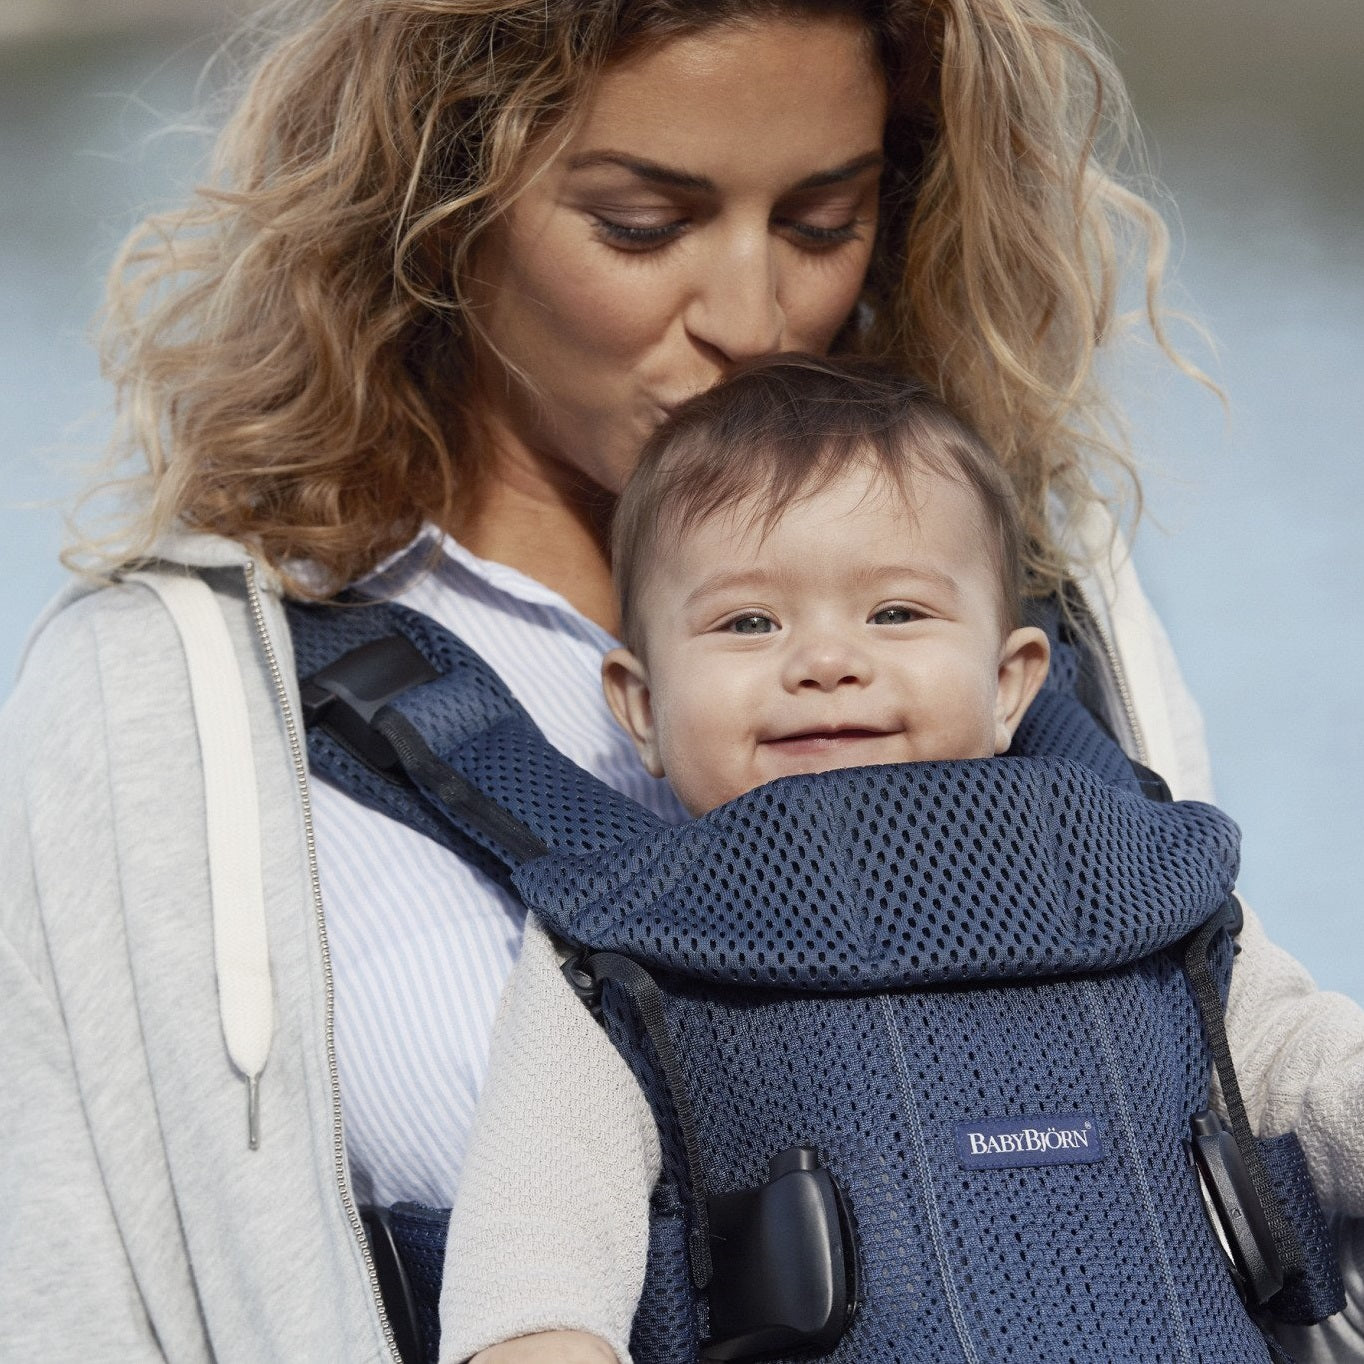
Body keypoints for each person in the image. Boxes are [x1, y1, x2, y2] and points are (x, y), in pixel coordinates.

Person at [1, 2, 1360, 1362]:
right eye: (643, 227)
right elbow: (65, 1294)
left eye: (821, 224)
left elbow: (1237, 1066)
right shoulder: (171, 698)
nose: (753, 321)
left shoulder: (1047, 609)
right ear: (440, 202)